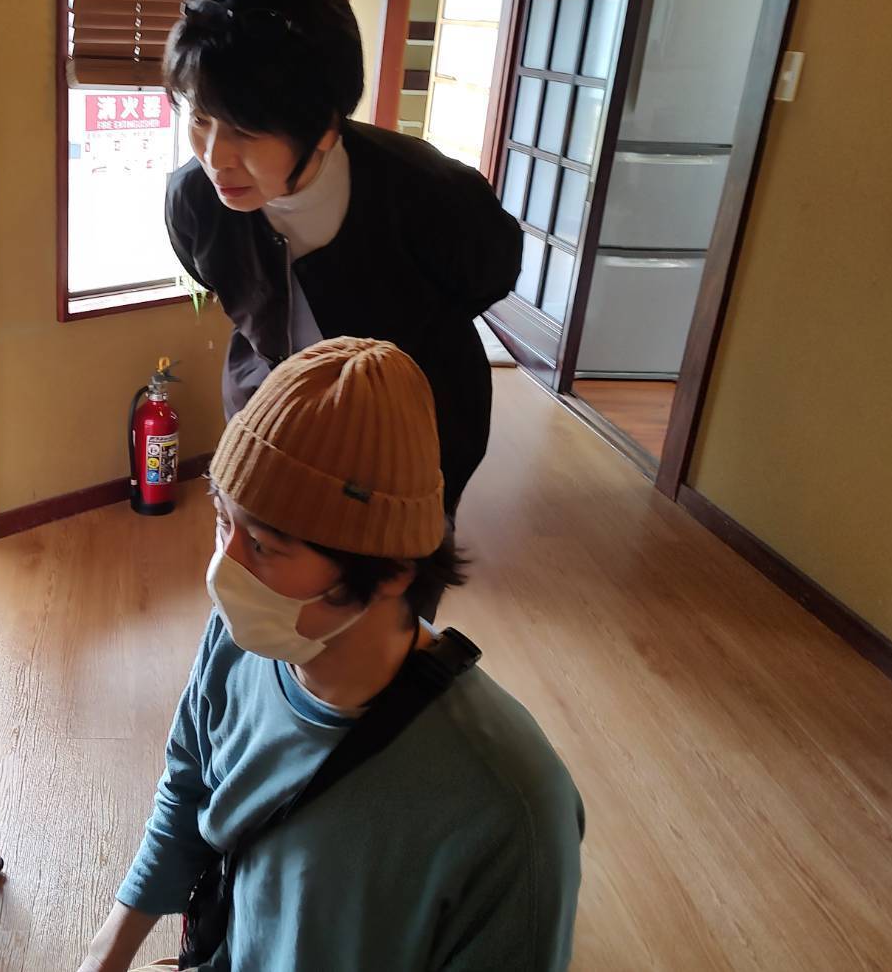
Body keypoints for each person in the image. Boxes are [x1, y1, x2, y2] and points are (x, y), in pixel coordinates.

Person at [78, 338, 584, 972]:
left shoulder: (510, 810)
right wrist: (107, 953)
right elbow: (190, 790)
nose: (223, 571)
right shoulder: (239, 642)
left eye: (264, 546)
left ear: (392, 570)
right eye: (222, 519)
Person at [164, 0, 521, 518]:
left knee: (392, 566)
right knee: (267, 552)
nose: (215, 157)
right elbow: (216, 278)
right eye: (200, 118)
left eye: (246, 130)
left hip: (412, 435)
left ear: (326, 125)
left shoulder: (434, 193)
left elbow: (489, 274)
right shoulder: (194, 201)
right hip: (271, 421)